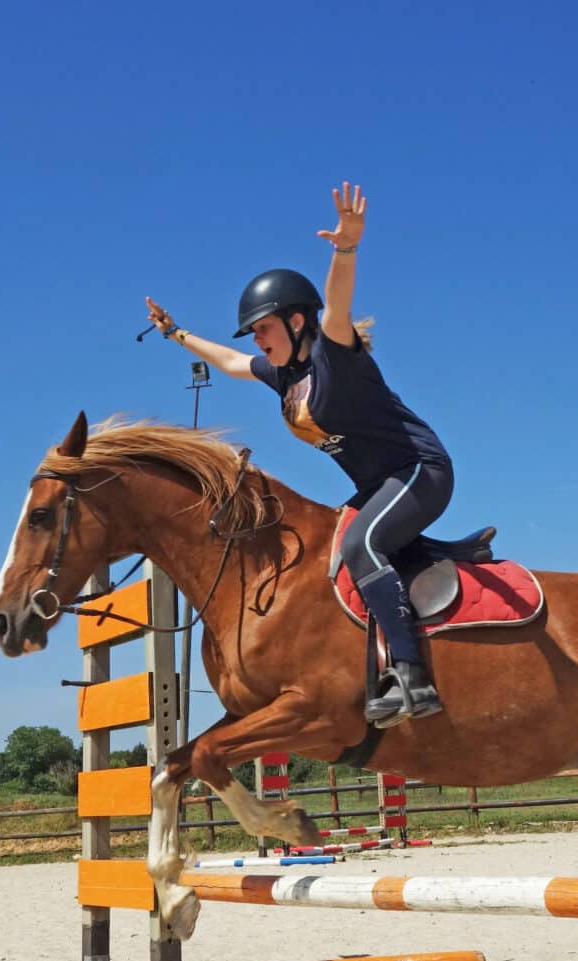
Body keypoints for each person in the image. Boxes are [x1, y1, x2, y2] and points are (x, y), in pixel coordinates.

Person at [145, 183, 453, 729]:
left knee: (361, 542)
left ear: (295, 321)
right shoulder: (284, 374)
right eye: (255, 332)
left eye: (264, 327)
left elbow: (337, 304)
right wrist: (177, 334)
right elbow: (233, 363)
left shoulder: (335, 354)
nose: (258, 339)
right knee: (333, 555)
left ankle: (413, 676)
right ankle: (377, 669)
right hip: (379, 485)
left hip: (418, 472)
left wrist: (347, 248)